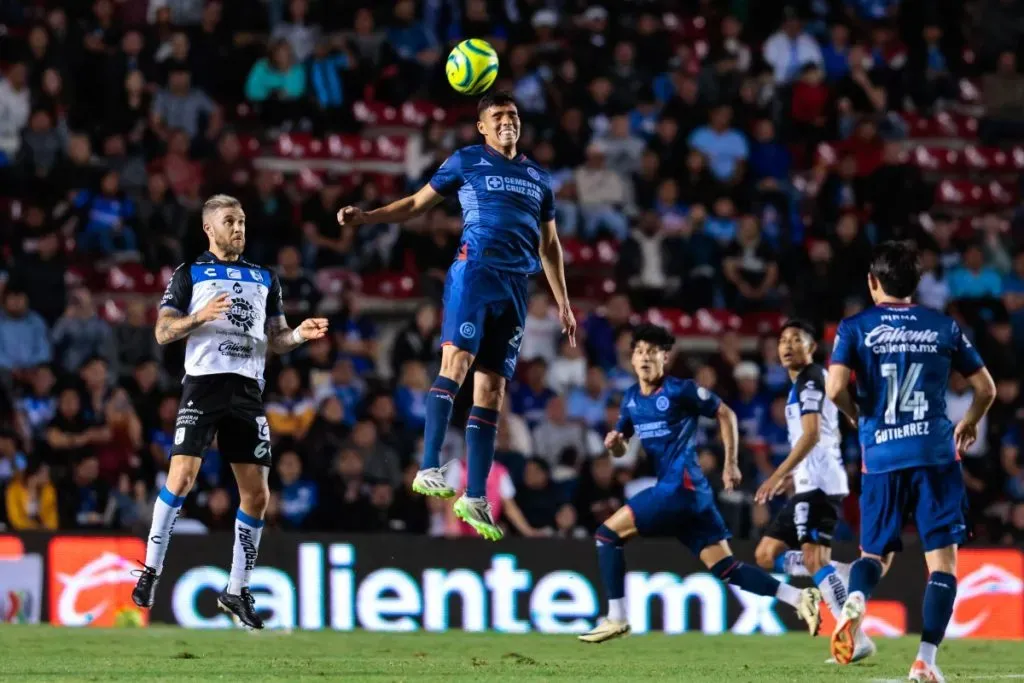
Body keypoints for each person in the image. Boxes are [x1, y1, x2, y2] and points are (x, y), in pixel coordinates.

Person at [336, 91, 575, 541]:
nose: (508, 121)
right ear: (482, 127)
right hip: (475, 274)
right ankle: (427, 466)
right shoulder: (466, 160)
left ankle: (475, 496)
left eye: (513, 114)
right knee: (457, 365)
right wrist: (368, 217)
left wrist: (562, 300)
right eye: (498, 116)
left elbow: (550, 245)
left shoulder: (538, 177)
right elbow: (414, 204)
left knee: (492, 391)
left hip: (516, 287)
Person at [131, 194, 329, 630]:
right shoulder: (189, 274)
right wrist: (199, 316)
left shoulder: (265, 277)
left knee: (258, 495)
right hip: (204, 385)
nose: (238, 228)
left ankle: (236, 590)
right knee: (181, 476)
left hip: (246, 391)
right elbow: (163, 332)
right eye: (229, 221)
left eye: (241, 220)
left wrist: (298, 334)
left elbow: (275, 339)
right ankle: (150, 569)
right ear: (209, 228)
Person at [578, 324, 822, 643]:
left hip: (679, 488)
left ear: (665, 357)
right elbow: (623, 444)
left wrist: (730, 462)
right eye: (640, 351)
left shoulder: (681, 390)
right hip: (691, 496)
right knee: (727, 568)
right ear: (632, 358)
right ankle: (800, 598)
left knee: (607, 536)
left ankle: (617, 617)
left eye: (653, 352)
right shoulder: (631, 399)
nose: (645, 357)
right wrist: (616, 445)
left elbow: (727, 415)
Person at [826, 241, 995, 681]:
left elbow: (834, 388)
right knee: (942, 562)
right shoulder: (943, 325)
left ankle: (857, 597)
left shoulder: (854, 327)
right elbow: (987, 389)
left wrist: (856, 415)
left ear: (872, 282)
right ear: (916, 284)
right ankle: (925, 661)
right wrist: (971, 421)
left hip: (880, 454)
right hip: (935, 454)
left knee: (874, 553)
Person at [752, 319, 875, 663]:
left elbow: (811, 435)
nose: (787, 345)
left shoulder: (810, 378)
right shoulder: (799, 384)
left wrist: (778, 474)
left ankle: (857, 638)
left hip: (820, 484)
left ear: (812, 348)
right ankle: (839, 571)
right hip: (807, 483)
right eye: (783, 340)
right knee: (765, 554)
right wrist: (793, 476)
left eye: (796, 339)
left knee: (811, 558)